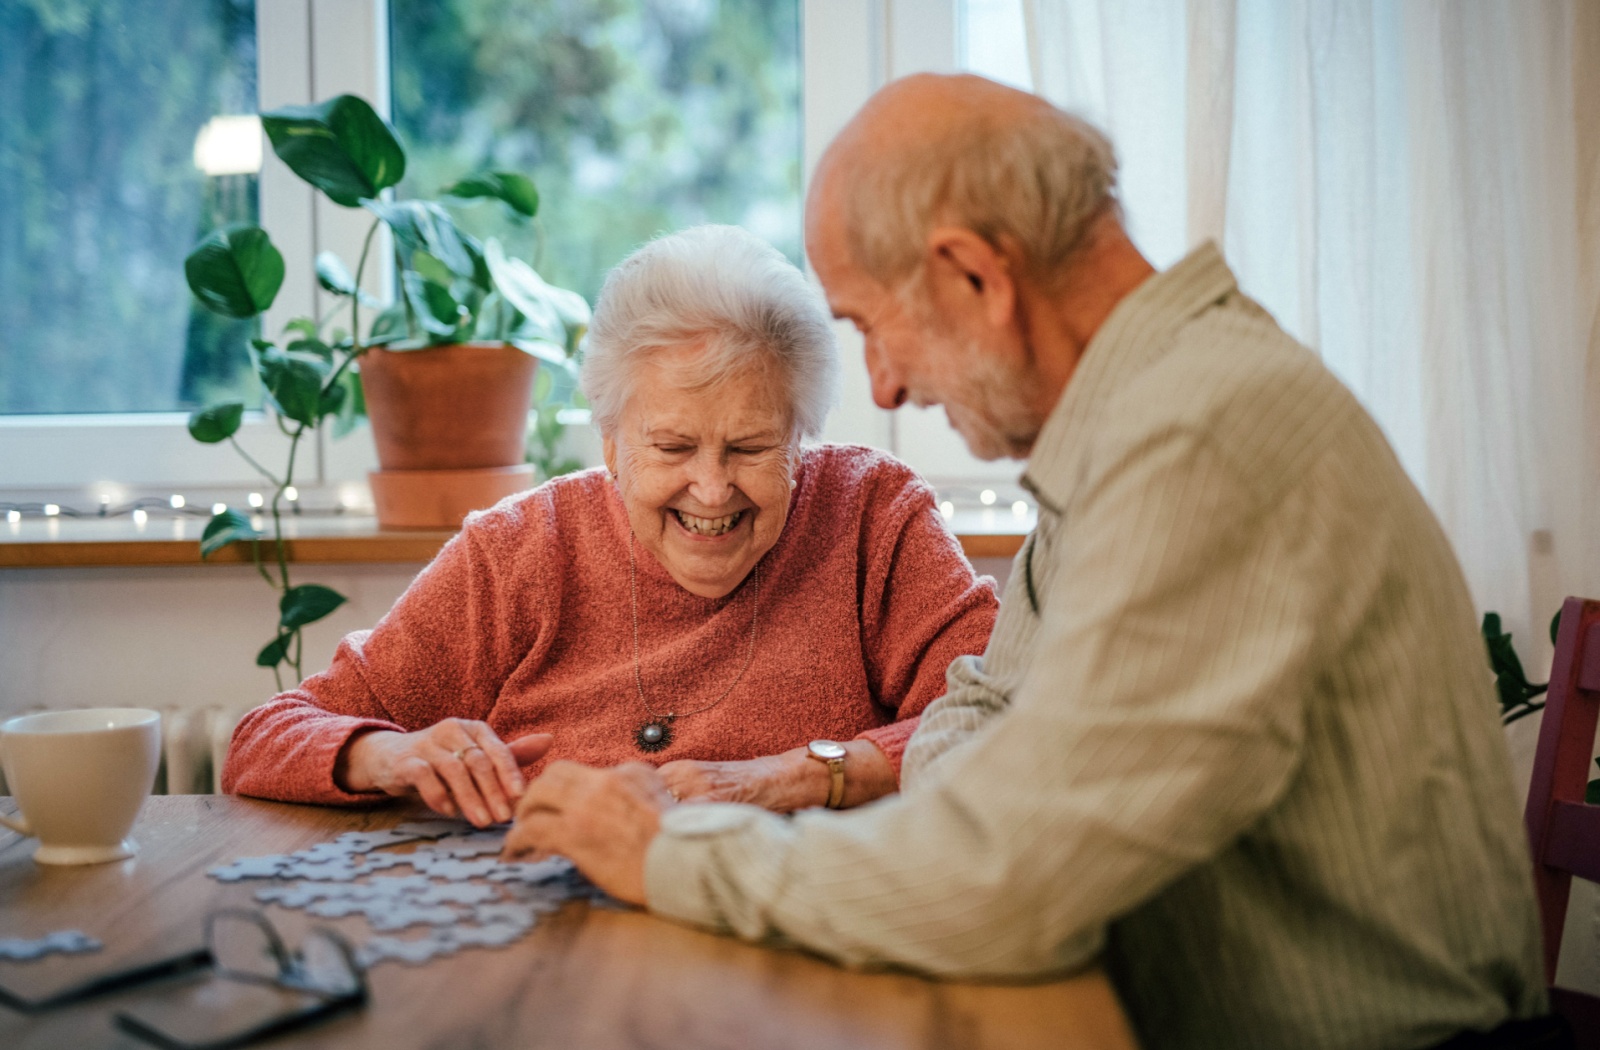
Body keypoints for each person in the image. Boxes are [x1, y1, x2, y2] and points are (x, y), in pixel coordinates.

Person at [502, 75, 1553, 1049]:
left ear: (973, 275)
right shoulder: (1130, 418)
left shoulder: (1199, 439)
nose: (883, 387)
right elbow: (977, 714)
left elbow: (1000, 877)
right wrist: (990, 800)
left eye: (871, 326)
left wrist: (664, 855)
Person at [222, 224, 999, 829]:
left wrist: (810, 773)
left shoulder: (872, 516)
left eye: (752, 446)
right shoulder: (523, 550)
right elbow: (264, 739)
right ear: (610, 444)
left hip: (804, 940)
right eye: (672, 446)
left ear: (801, 439)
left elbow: (1003, 716)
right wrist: (387, 753)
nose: (712, 486)